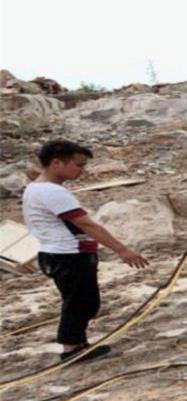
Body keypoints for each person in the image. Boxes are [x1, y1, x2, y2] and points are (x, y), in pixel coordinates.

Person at [23, 139, 149, 363]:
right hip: (68, 255)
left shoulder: (37, 188)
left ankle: (79, 343)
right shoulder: (52, 192)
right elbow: (86, 225)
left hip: (59, 253)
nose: (82, 171)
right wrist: (123, 250)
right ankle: (71, 349)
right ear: (56, 163)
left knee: (84, 300)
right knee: (79, 302)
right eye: (78, 165)